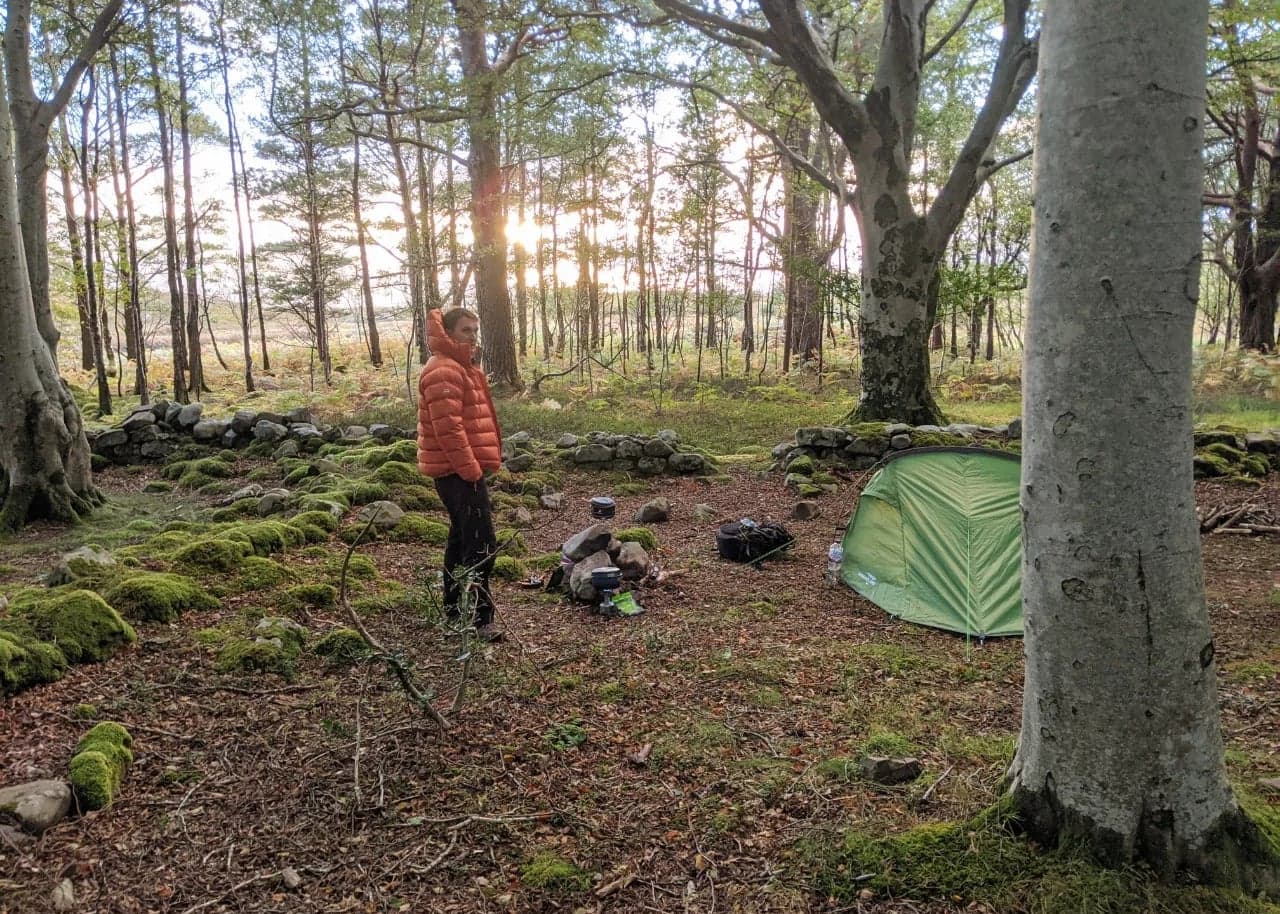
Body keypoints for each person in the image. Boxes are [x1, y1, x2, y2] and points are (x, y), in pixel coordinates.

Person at [416, 307, 504, 641]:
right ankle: (480, 619)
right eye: (466, 330)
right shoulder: (443, 370)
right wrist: (470, 470)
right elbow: (449, 430)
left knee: (461, 538)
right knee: (482, 542)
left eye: (475, 330)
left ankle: (454, 609)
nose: (473, 336)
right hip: (456, 472)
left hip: (462, 469)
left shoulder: (459, 367)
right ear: (449, 333)